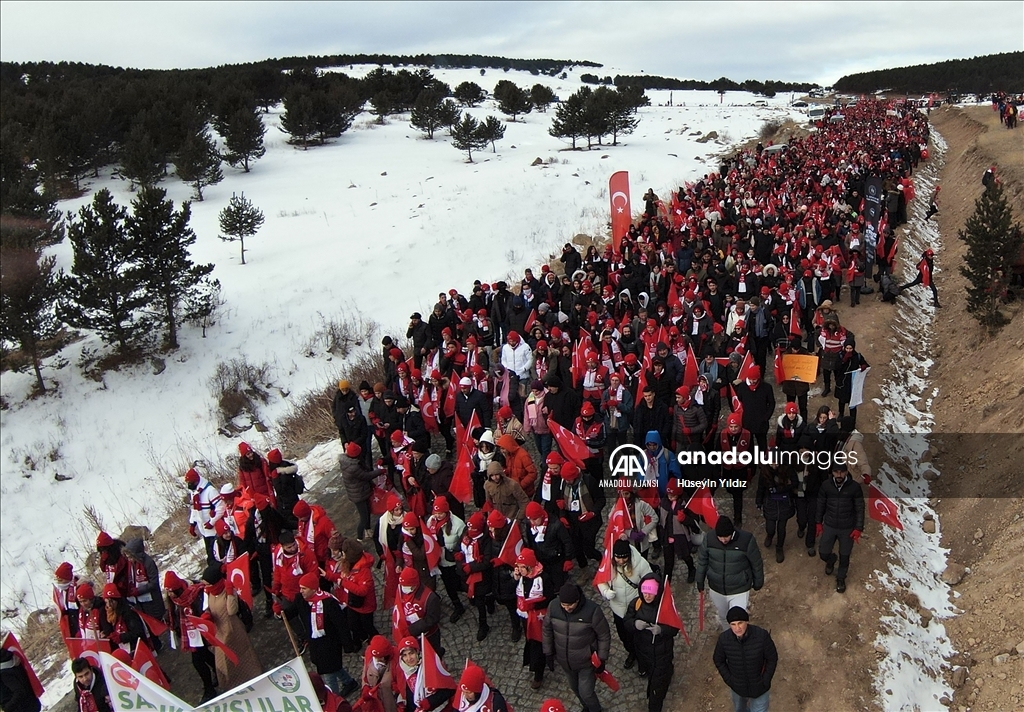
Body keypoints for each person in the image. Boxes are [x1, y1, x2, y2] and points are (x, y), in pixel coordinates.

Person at [543, 581, 611, 712]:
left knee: (586, 692)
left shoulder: (592, 611)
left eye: (570, 605)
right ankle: (586, 707)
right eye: (564, 605)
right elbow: (547, 629)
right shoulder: (553, 607)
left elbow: (604, 635)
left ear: (578, 600)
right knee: (575, 688)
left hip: (586, 662)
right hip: (565, 660)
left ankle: (596, 710)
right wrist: (548, 652)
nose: (567, 608)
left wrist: (602, 658)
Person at [290, 571, 358, 697]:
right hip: (315, 644)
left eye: (304, 588)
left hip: (330, 645)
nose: (301, 591)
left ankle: (334, 699)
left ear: (313, 589)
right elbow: (291, 612)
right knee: (334, 668)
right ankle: (349, 682)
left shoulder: (329, 603)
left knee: (328, 674)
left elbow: (341, 626)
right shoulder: (300, 599)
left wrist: (348, 645)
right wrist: (279, 612)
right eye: (300, 588)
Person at [695, 516, 764, 631]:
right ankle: (728, 636)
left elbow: (756, 563)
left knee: (738, 619)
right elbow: (702, 561)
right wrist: (699, 580)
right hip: (717, 588)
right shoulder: (709, 539)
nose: (723, 540)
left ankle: (740, 639)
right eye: (720, 537)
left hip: (739, 589)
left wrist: (758, 582)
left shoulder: (746, 540)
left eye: (726, 536)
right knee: (723, 616)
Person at [202, 564, 262, 689]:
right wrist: (207, 615)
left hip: (232, 630)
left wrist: (230, 594)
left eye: (208, 583)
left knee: (241, 656)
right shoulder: (210, 592)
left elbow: (231, 610)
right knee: (223, 662)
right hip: (220, 631)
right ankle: (231, 685)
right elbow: (210, 607)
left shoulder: (227, 590)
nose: (206, 586)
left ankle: (253, 678)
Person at [624, 575, 678, 712]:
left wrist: (661, 630)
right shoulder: (636, 604)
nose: (647, 596)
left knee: (657, 688)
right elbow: (626, 622)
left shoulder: (665, 607)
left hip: (662, 653)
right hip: (643, 650)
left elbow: (675, 628)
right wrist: (634, 624)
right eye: (645, 592)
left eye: (651, 592)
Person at [163, 570, 219, 702]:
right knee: (204, 655)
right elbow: (174, 614)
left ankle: (209, 688)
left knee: (197, 661)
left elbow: (203, 610)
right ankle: (219, 670)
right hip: (190, 633)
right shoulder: (174, 600)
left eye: (171, 591)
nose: (169, 594)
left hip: (198, 630)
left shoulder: (193, 594)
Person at [596, 539, 651, 671]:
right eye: (617, 558)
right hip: (618, 610)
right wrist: (605, 591)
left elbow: (649, 581)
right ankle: (632, 653)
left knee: (640, 638)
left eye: (624, 557)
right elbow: (601, 579)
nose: (620, 561)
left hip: (636, 609)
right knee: (624, 637)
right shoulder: (608, 564)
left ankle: (643, 660)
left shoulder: (640, 564)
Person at [713, 607, 778, 712]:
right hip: (737, 688)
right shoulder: (724, 639)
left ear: (746, 621)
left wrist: (765, 679)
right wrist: (730, 680)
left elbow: (772, 658)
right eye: (733, 624)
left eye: (740, 623)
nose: (737, 628)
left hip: (760, 687)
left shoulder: (762, 636)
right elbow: (718, 660)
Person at [815, 463, 865, 593]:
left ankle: (841, 578)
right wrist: (818, 522)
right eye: (836, 472)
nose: (839, 475)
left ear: (846, 472)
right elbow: (820, 504)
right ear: (832, 472)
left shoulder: (854, 487)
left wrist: (858, 528)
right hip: (830, 525)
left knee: (845, 556)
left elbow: (860, 508)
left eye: (841, 472)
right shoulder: (826, 485)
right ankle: (831, 560)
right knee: (823, 553)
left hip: (847, 528)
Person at [426, 495, 467, 624]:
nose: (437, 516)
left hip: (452, 561)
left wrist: (456, 553)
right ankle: (458, 606)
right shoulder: (431, 521)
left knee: (458, 583)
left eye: (440, 513)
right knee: (449, 585)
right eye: (436, 513)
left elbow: (464, 543)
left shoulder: (458, 525)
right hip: (440, 561)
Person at [522, 501, 575, 592]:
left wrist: (568, 558)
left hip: (555, 559)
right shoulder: (529, 524)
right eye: (530, 519)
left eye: (535, 519)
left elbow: (567, 542)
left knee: (559, 581)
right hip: (540, 558)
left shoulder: (556, 525)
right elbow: (530, 540)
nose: (532, 522)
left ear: (541, 516)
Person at [394, 636, 454, 712]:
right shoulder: (400, 670)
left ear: (417, 652)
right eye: (405, 655)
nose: (409, 658)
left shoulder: (431, 666)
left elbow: (449, 689)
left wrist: (429, 702)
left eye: (411, 653)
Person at [393, 568, 443, 657]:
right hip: (410, 634)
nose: (403, 588)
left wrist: (412, 630)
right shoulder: (402, 590)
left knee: (431, 656)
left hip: (427, 637)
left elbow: (432, 619)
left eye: (406, 586)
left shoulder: (430, 598)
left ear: (414, 585)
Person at [123, 538, 165, 641]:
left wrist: (138, 591)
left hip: (151, 598)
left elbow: (153, 583)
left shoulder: (148, 562)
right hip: (139, 600)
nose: (128, 559)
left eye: (130, 556)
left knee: (154, 620)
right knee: (145, 622)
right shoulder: (132, 565)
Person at [755, 464, 797, 563]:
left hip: (784, 503)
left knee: (781, 529)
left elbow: (794, 483)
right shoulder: (764, 472)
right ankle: (770, 535)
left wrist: (781, 489)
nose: (774, 465)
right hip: (770, 503)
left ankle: (779, 548)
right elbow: (760, 487)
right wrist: (758, 501)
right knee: (770, 527)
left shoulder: (787, 469)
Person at [659, 480, 699, 583]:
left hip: (680, 536)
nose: (670, 497)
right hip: (667, 536)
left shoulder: (685, 504)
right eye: (669, 495)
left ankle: (692, 569)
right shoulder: (664, 502)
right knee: (668, 562)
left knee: (686, 556)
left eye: (673, 495)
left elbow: (694, 522)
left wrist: (685, 519)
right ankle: (666, 584)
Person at [339, 442, 377, 539]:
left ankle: (368, 530)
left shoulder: (348, 463)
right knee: (363, 517)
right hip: (358, 495)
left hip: (360, 491)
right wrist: (379, 471)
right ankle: (360, 537)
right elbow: (366, 476)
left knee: (367, 511)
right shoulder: (353, 467)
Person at [356, 635, 399, 712]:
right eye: (376, 657)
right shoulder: (369, 653)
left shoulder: (396, 657)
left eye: (382, 657)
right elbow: (365, 673)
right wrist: (365, 686)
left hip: (390, 702)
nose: (379, 660)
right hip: (376, 703)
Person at [186, 467, 219, 561]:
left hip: (214, 531)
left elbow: (220, 508)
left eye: (190, 483)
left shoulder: (210, 491)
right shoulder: (194, 493)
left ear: (196, 481)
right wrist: (192, 524)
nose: (189, 485)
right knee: (210, 555)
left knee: (215, 556)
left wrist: (212, 522)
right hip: (204, 530)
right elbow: (194, 509)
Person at [0, 647, 40, 712]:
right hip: (32, 704)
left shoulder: (3, 672)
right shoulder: (9, 658)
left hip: (23, 708)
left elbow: (19, 692)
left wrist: (7, 708)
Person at [52, 561, 80, 638]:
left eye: (61, 580)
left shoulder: (77, 589)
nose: (59, 583)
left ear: (67, 578)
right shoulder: (65, 591)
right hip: (72, 628)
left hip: (80, 628)